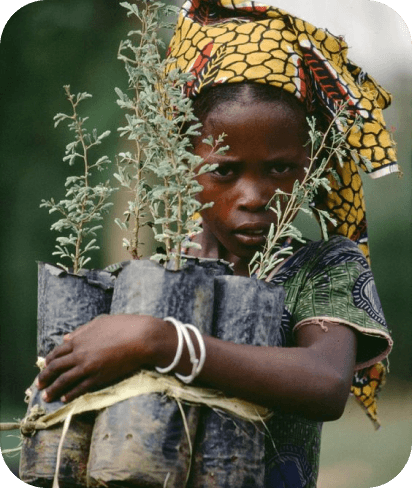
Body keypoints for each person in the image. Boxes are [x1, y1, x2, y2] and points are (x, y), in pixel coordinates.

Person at [36, 1, 396, 486]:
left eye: (279, 169)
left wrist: (160, 341)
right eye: (225, 170)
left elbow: (326, 382)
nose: (253, 197)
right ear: (183, 161)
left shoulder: (324, 266)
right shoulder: (154, 276)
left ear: (309, 164)